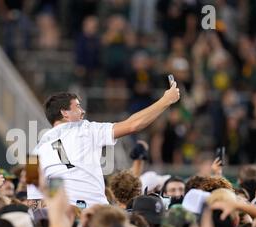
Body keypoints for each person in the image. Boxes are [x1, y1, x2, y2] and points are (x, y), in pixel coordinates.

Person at [33, 83, 180, 206]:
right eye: (77, 107)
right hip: (94, 212)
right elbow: (133, 125)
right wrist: (166, 100)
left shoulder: (34, 151)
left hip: (62, 215)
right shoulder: (84, 129)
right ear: (65, 113)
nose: (82, 111)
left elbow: (32, 199)